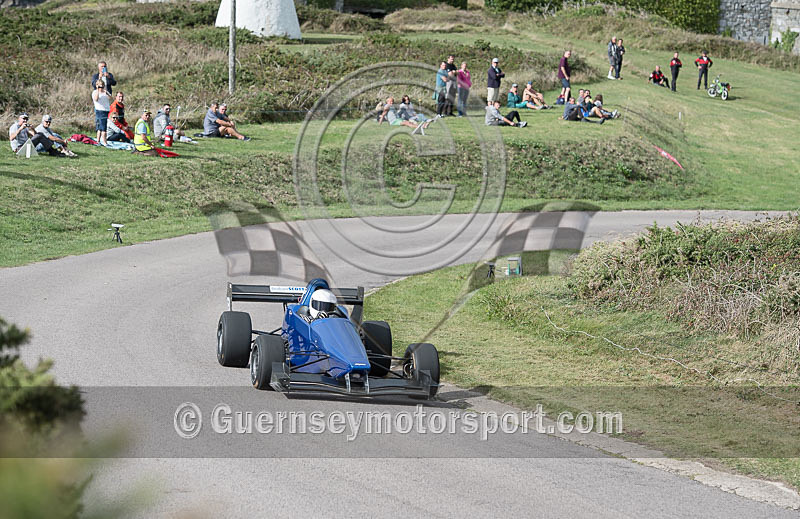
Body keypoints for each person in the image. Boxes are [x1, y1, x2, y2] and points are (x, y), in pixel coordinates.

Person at [91, 79, 111, 145]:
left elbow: (110, 98)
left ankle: (98, 141)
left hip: (106, 110)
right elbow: (96, 99)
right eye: (100, 86)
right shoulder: (95, 92)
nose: (101, 88)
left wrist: (106, 92)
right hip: (100, 111)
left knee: (100, 127)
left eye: (102, 86)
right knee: (103, 128)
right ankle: (105, 142)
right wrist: (98, 90)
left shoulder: (105, 92)